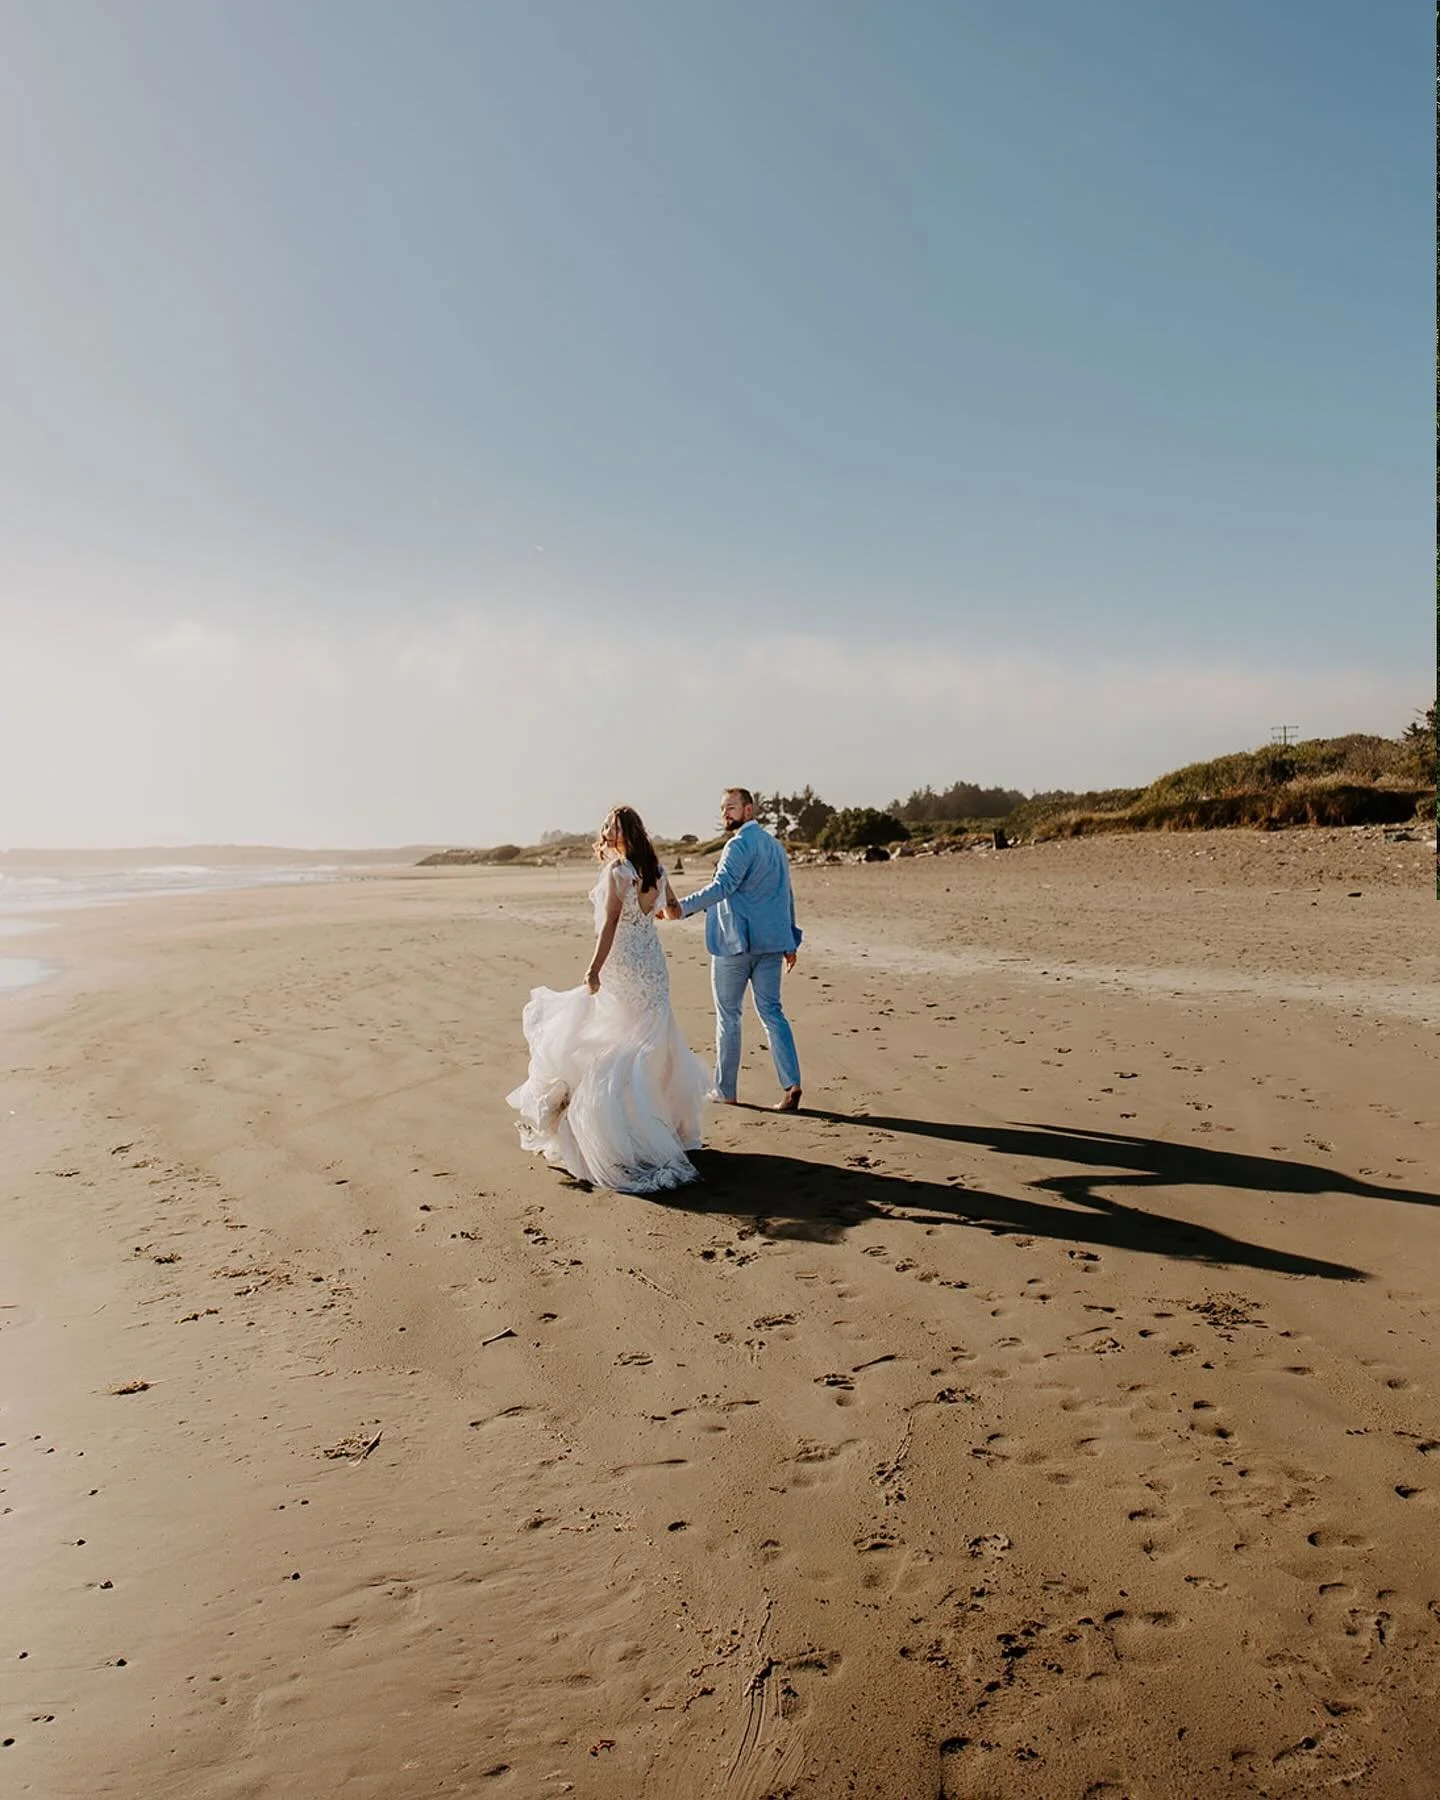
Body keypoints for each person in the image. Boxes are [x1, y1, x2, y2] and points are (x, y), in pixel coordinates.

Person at [507, 805, 708, 1194]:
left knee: (619, 1042)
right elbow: (674, 910)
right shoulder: (657, 869)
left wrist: (594, 968)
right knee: (652, 1043)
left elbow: (612, 923)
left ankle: (626, 1129)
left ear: (626, 833)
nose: (605, 833)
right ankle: (661, 1124)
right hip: (653, 965)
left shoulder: (619, 871)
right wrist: (649, 914)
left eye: (611, 828)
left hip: (624, 966)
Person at [662, 787, 803, 1111]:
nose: (725, 813)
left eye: (731, 807)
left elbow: (722, 887)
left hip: (735, 943)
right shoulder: (776, 847)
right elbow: (786, 895)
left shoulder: (738, 845)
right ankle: (792, 1083)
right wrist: (790, 940)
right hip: (771, 942)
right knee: (772, 1012)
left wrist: (680, 909)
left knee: (729, 1016)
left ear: (749, 810)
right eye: (723, 808)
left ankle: (726, 1090)